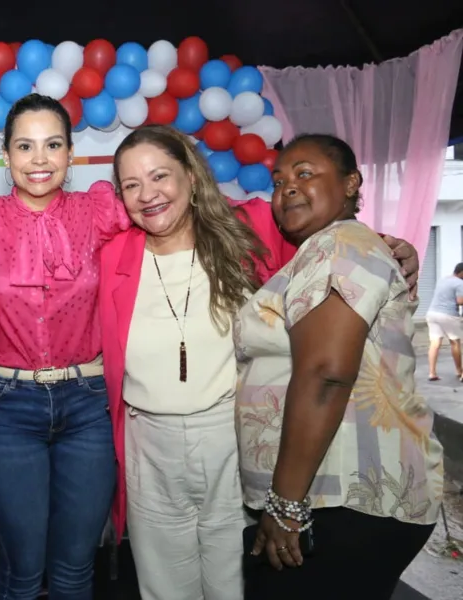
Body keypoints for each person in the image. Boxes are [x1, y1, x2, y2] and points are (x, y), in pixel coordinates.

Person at [98, 126, 423, 600]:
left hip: (232, 434)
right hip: (148, 441)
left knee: (236, 577)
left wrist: (393, 243)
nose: (148, 194)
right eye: (131, 185)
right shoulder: (113, 254)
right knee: (162, 583)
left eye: (160, 176)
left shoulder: (249, 227)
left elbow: (331, 232)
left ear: (191, 175)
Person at [235, 134, 443, 599]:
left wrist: (286, 503)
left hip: (341, 501)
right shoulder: (328, 248)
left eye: (304, 174)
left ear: (351, 184)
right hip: (334, 500)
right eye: (279, 180)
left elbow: (326, 373)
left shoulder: (340, 245)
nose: (286, 187)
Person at [0, 94, 129, 599]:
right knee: (21, 571)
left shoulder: (99, 208)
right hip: (7, 409)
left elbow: (176, 209)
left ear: (71, 152)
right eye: (25, 146)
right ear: (5, 155)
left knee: (75, 568)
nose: (39, 160)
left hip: (88, 406)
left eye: (52, 145)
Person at [425, 262, 463, 381]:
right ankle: (459, 370)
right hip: (448, 315)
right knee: (455, 342)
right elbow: (460, 301)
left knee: (435, 343)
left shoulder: (443, 280)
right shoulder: (459, 283)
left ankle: (432, 373)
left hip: (432, 313)